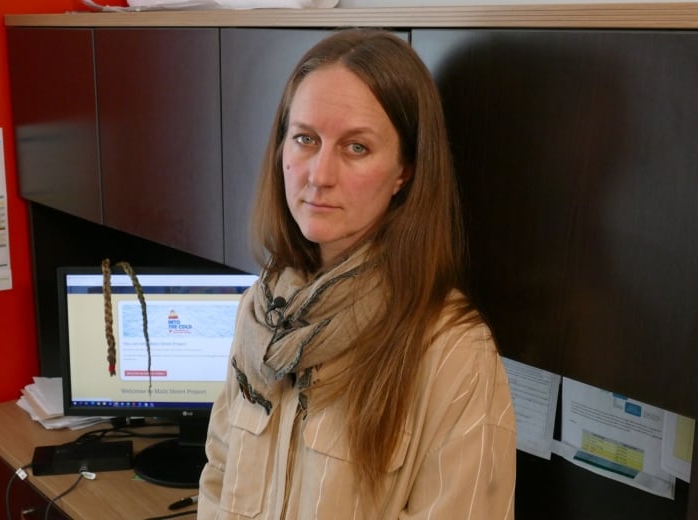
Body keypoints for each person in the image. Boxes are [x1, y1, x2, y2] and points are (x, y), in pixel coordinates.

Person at [198, 28, 516, 519]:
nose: (319, 174)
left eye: (356, 148)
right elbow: (218, 477)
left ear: (404, 171)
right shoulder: (260, 311)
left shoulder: (452, 350)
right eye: (305, 138)